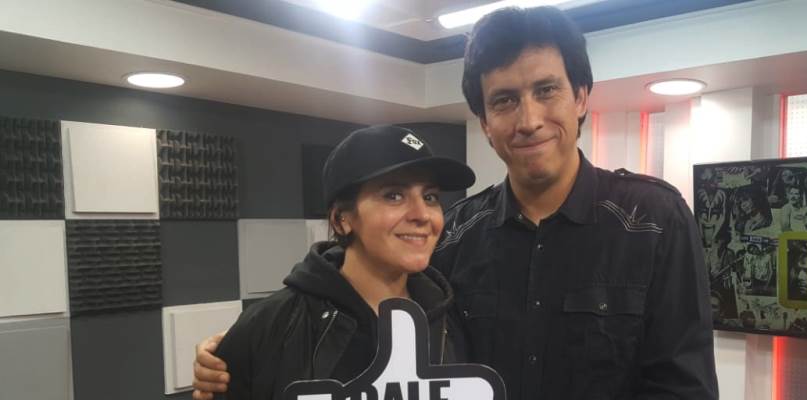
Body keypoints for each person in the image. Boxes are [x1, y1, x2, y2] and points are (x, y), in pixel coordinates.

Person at [194, 6, 718, 400]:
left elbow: (684, 387)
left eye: (546, 90)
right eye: (505, 100)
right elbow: (367, 313)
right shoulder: (453, 238)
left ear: (581, 97)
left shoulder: (653, 221)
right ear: (485, 123)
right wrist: (243, 351)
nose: (529, 119)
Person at [205, 125, 475, 399]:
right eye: (394, 195)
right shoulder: (268, 327)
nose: (422, 214)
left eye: (430, 197)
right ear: (341, 219)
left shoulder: (452, 317)